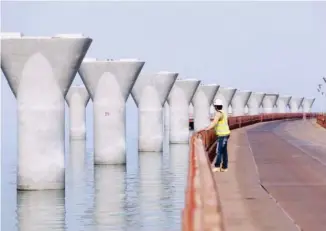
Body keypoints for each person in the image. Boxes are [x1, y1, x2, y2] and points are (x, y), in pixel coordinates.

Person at [204, 98, 231, 172]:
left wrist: (207, 128)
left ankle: (217, 166)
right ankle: (224, 167)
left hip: (222, 135)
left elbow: (214, 122)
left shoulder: (218, 113)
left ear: (215, 106)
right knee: (224, 151)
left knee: (218, 151)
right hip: (226, 133)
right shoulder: (224, 112)